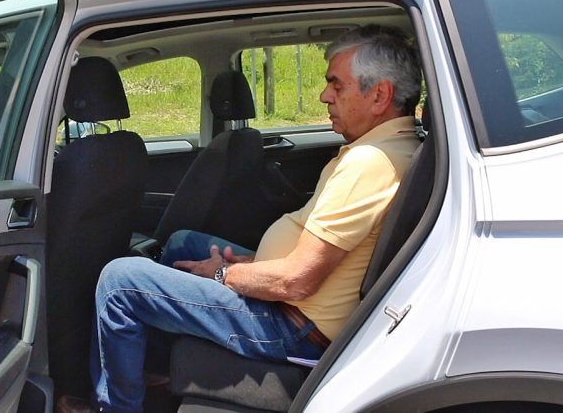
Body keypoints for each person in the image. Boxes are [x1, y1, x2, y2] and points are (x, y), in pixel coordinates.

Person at [81, 24, 422, 413]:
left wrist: (222, 274)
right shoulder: (393, 146)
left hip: (290, 327)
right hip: (297, 308)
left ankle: (116, 406)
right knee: (181, 243)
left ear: (379, 95)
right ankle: (154, 371)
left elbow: (296, 281)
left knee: (118, 282)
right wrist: (250, 265)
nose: (324, 95)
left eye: (337, 86)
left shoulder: (369, 163)